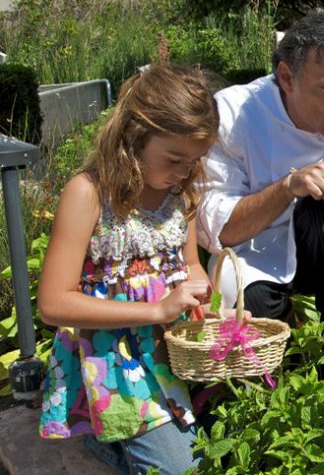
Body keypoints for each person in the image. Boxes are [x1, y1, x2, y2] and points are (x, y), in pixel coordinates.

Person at [37, 64, 220, 474]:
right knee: (182, 469)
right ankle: (100, 433)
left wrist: (203, 299)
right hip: (116, 361)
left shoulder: (179, 195)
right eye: (174, 159)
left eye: (194, 160)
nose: (185, 172)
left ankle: (123, 440)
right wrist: (156, 310)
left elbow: (191, 265)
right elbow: (53, 303)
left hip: (173, 351)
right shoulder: (89, 194)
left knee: (228, 435)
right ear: (134, 137)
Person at [197, 8, 324, 320]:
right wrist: (289, 187)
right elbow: (216, 232)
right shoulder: (234, 115)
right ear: (287, 77)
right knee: (247, 308)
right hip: (256, 251)